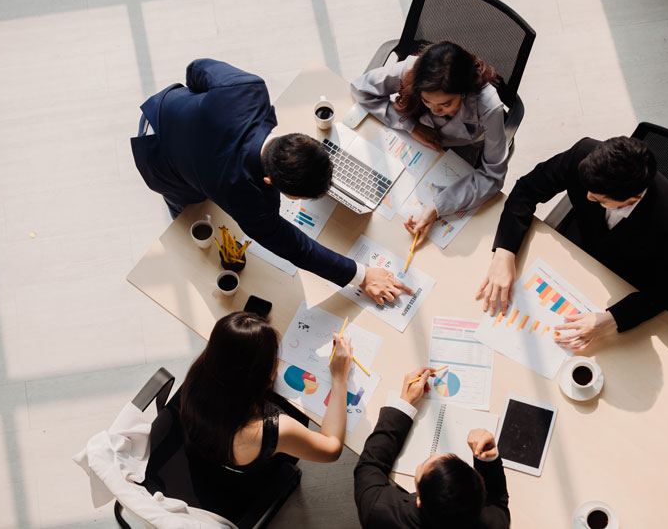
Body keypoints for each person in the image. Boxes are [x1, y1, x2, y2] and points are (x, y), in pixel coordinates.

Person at [131, 58, 409, 305]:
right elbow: (297, 248)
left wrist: (200, 108)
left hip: (166, 110)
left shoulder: (248, 91)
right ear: (268, 181)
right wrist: (362, 275)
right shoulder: (249, 201)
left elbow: (197, 68)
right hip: (157, 158)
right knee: (188, 208)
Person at [477, 136, 668, 349]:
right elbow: (527, 189)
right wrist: (505, 252)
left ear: (632, 199)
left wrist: (613, 319)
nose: (588, 197)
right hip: (579, 254)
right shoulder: (584, 154)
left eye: (599, 198)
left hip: (625, 279)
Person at [174, 312, 353, 519]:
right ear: (265, 376)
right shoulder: (271, 430)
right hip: (243, 481)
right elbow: (331, 449)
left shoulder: (201, 371)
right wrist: (340, 379)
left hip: (205, 445)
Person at [351, 41, 508, 247]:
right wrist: (411, 126)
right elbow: (360, 88)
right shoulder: (411, 70)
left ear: (463, 91)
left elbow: (493, 175)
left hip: (460, 150)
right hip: (416, 145)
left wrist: (438, 207)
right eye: (427, 101)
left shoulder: (488, 106)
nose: (435, 110)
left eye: (445, 104)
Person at [354, 367, 510, 528]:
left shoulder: (377, 511)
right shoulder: (495, 524)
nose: (434, 454)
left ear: (419, 500)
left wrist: (404, 403)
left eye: (423, 465)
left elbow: (370, 466)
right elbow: (497, 500)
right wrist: (488, 459)